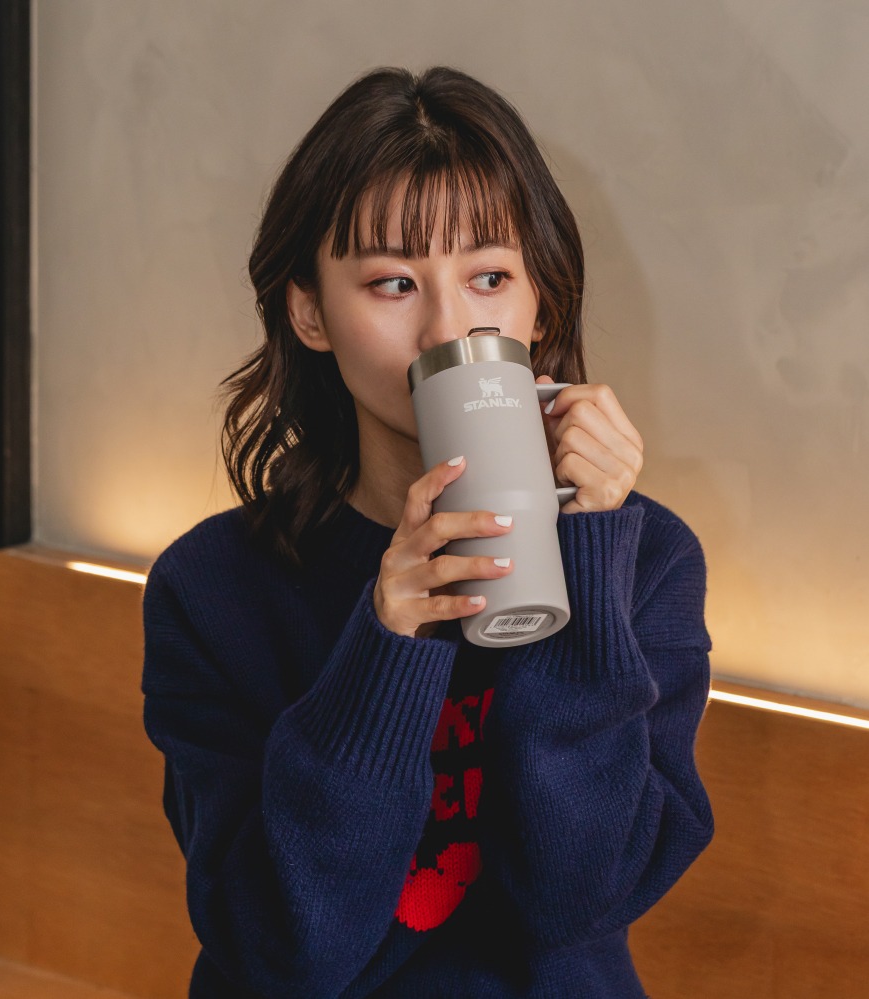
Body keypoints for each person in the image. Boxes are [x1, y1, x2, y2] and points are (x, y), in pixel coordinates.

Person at [142, 66, 713, 999]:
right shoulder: (214, 586)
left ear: (540, 303)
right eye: (393, 283)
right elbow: (281, 949)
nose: (449, 329)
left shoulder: (642, 560)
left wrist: (582, 552)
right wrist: (386, 645)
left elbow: (580, 896)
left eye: (489, 277)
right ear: (307, 312)